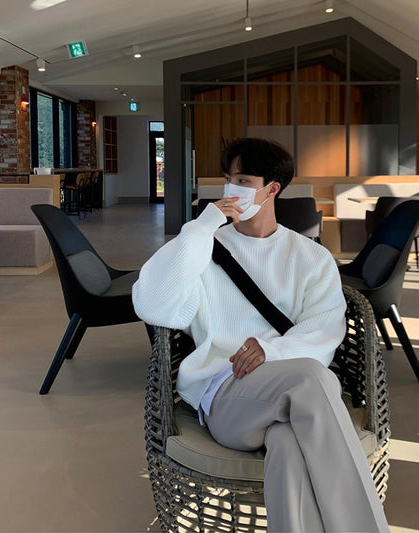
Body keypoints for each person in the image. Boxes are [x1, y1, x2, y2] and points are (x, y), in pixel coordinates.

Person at [132, 138, 389, 533]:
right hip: (225, 394)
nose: (230, 189)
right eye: (228, 178)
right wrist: (201, 227)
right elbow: (152, 305)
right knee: (314, 378)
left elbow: (325, 326)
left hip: (288, 396)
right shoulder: (204, 247)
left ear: (272, 189)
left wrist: (272, 350)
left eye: (243, 180)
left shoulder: (310, 256)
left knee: (288, 444)